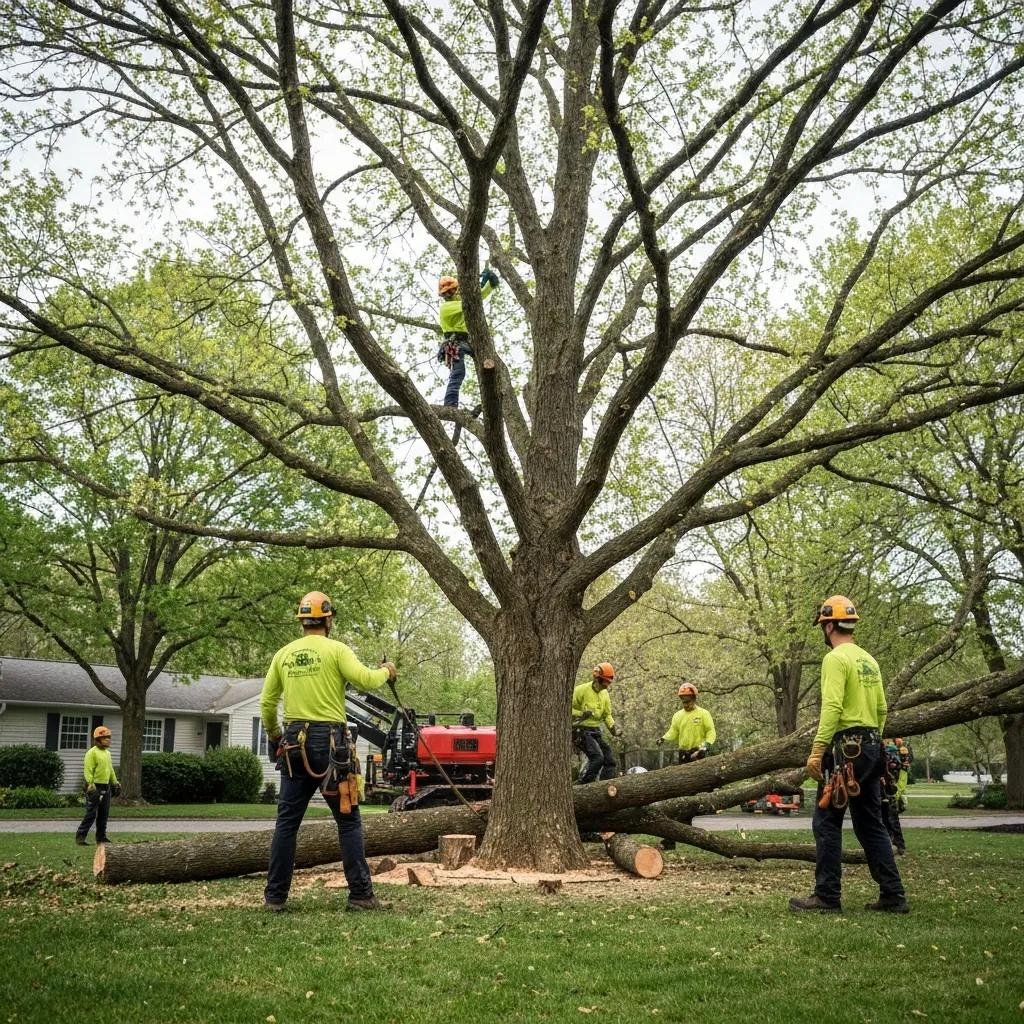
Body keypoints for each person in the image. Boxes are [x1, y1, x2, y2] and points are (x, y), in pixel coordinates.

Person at [261, 590, 397, 912]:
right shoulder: (336, 650)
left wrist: (275, 735)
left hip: (295, 745)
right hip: (333, 746)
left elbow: (267, 702)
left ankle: (275, 899)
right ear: (329, 620)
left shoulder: (284, 655)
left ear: (302, 621)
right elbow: (365, 679)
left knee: (286, 824)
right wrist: (387, 671)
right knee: (348, 822)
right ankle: (361, 896)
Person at [790, 596, 908, 914]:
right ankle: (893, 895)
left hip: (846, 749)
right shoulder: (869, 660)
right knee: (871, 823)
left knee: (826, 822)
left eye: (823, 626)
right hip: (871, 744)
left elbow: (832, 708)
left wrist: (817, 752)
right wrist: (872, 741)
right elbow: (882, 708)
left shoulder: (835, 658)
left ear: (829, 625)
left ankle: (827, 896)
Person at [437, 267, 499, 408]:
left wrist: (490, 282)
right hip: (455, 343)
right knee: (458, 372)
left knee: (489, 366)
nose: (450, 294)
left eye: (452, 290)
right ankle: (450, 405)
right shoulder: (446, 308)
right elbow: (470, 302)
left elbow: (476, 297)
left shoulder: (462, 301)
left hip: (468, 341)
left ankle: (493, 399)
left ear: (457, 289)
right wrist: (481, 284)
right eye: (447, 293)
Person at [571, 662, 622, 784]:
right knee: (597, 758)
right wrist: (581, 714)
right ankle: (583, 785)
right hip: (580, 730)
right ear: (597, 678)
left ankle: (605, 785)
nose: (606, 685)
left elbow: (607, 715)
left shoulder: (604, 694)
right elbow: (566, 708)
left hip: (595, 731)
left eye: (608, 682)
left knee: (609, 760)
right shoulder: (581, 690)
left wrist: (613, 728)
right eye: (604, 682)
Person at [75, 725, 120, 846]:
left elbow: (110, 770)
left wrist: (115, 782)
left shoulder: (107, 753)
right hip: (94, 787)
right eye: (105, 738)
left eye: (109, 738)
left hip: (106, 786)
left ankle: (101, 838)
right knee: (91, 814)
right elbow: (88, 769)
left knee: (103, 814)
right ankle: (80, 837)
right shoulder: (92, 753)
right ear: (98, 739)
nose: (108, 740)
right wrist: (90, 784)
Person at [656, 683, 716, 763]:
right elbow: (673, 730)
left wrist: (704, 747)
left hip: (698, 752)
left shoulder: (704, 714)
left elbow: (711, 732)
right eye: (683, 702)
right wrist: (663, 738)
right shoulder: (677, 715)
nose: (685, 705)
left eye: (688, 702)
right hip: (683, 753)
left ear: (694, 699)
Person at [881, 740, 908, 855]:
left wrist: (895, 795)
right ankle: (892, 844)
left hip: (890, 795)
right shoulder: (894, 765)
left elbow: (901, 782)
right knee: (887, 821)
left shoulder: (897, 766)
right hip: (887, 795)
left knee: (891, 821)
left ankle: (899, 845)